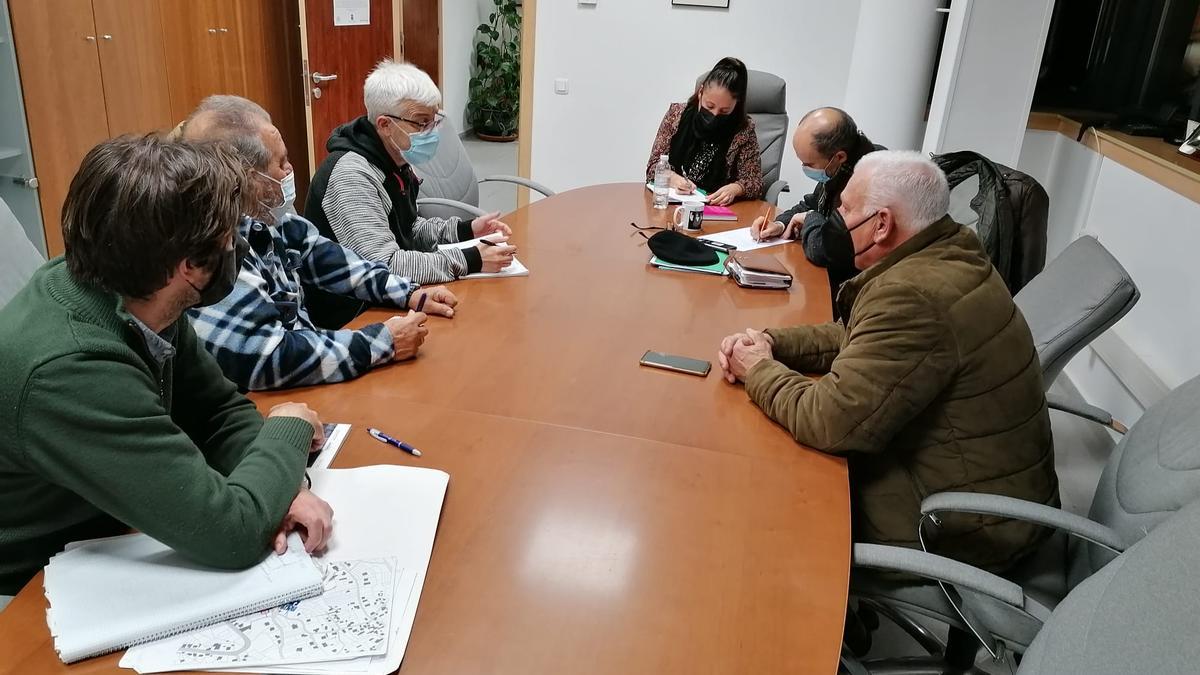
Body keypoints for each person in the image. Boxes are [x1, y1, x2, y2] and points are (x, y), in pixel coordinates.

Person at [0, 135, 334, 604]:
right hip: (33, 587)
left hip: (110, 527)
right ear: (191, 267)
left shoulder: (138, 291)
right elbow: (231, 534)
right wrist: (288, 427)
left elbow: (216, 411)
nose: (235, 251)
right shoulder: (70, 370)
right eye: (227, 241)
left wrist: (281, 491)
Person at [719, 151, 1057, 573]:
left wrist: (759, 370)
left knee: (774, 497)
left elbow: (826, 419)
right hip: (981, 479)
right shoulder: (947, 250)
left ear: (882, 224)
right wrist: (771, 341)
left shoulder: (914, 295)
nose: (835, 219)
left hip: (968, 523)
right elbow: (860, 335)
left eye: (845, 210)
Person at [179, 95, 458, 391]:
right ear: (247, 179)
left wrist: (409, 294)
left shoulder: (271, 218)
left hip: (303, 384)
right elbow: (268, 356)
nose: (290, 170)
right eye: (281, 162)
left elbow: (332, 261)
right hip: (262, 405)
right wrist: (384, 342)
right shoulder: (215, 248)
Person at [305, 60, 514, 328]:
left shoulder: (394, 157)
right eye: (421, 123)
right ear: (385, 125)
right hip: (352, 316)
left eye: (434, 121)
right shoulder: (352, 175)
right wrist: (471, 259)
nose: (432, 132)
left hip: (393, 295)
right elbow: (384, 267)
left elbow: (409, 228)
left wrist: (466, 231)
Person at [750, 108, 879, 318]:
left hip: (849, 294)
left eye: (809, 164)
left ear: (839, 157)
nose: (804, 168)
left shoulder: (866, 182)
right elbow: (810, 204)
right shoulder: (840, 169)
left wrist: (811, 219)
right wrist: (780, 224)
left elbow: (826, 249)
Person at [645, 57, 763, 206]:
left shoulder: (743, 131)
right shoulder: (676, 115)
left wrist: (735, 188)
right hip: (670, 206)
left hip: (714, 209)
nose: (714, 115)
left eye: (724, 111)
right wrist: (673, 178)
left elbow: (755, 182)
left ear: (736, 105)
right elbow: (653, 166)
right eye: (709, 106)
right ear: (701, 92)